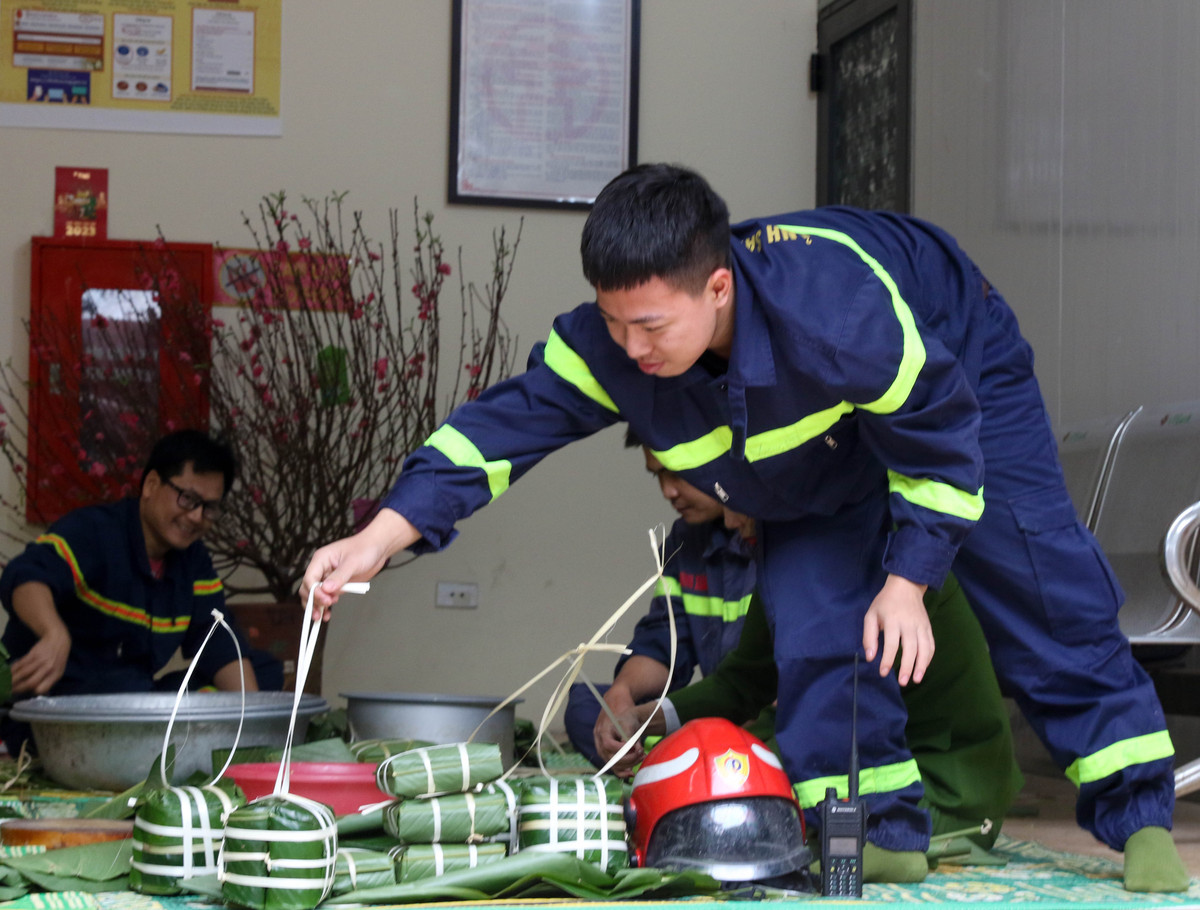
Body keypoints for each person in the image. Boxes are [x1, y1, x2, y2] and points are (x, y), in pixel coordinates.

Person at [301, 164, 1187, 890]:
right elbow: (496, 433)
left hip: (954, 373)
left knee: (1034, 579)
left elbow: (940, 435)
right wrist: (378, 537)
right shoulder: (613, 344)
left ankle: (1138, 814)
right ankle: (875, 833)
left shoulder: (836, 314)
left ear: (718, 287)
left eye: (650, 325)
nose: (632, 347)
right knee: (813, 623)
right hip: (812, 449)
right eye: (614, 322)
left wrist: (910, 579)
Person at [0, 430, 268, 755]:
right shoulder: (95, 531)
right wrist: (53, 634)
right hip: (51, 706)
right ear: (151, 484)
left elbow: (217, 641)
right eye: (188, 499)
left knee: (260, 673)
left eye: (210, 508)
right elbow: (25, 576)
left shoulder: (193, 561)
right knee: (129, 686)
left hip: (131, 703)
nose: (196, 517)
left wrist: (253, 722)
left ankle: (223, 743)